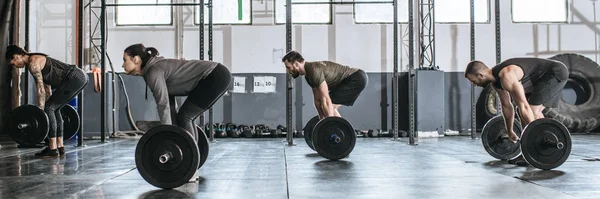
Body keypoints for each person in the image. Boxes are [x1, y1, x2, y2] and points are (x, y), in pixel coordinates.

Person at [121, 43, 231, 143]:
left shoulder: (153, 71)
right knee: (184, 117)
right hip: (218, 74)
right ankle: (192, 152)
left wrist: (168, 134)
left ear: (136, 59)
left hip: (215, 76)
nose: (122, 65)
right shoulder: (153, 70)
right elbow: (170, 105)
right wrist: (172, 130)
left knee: (185, 117)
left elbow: (163, 104)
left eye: (125, 60)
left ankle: (190, 154)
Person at [465, 58, 568, 163]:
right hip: (537, 79)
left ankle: (541, 147)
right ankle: (527, 152)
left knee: (532, 111)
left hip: (554, 72)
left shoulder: (506, 76)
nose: (474, 84)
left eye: (474, 81)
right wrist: (510, 131)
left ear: (480, 75)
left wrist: (537, 136)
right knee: (521, 111)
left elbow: (525, 106)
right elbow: (506, 106)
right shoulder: (496, 83)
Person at [6, 44, 89, 157]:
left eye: (13, 63)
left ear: (16, 57)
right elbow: (46, 88)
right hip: (79, 77)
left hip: (74, 76)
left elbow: (40, 88)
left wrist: (41, 109)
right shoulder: (35, 60)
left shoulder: (32, 63)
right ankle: (59, 146)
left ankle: (52, 147)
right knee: (54, 108)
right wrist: (45, 107)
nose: (15, 66)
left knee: (49, 108)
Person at [281, 51, 368, 119]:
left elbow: (326, 100)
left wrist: (327, 124)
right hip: (352, 79)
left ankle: (338, 130)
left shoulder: (314, 71)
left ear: (296, 64)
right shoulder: (308, 75)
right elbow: (317, 101)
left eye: (288, 67)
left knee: (329, 106)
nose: (288, 71)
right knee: (327, 107)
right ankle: (338, 128)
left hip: (355, 78)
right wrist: (321, 120)